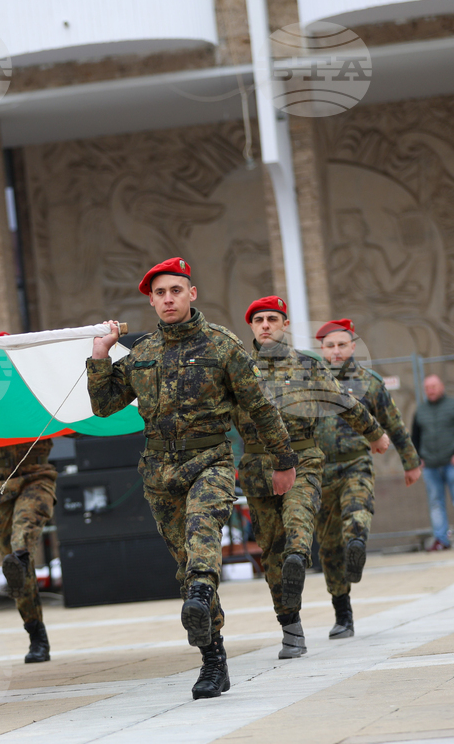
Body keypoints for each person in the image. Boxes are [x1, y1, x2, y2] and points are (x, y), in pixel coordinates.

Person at [87, 257, 298, 700]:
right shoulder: (141, 353)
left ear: (191, 294)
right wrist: (101, 355)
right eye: (160, 293)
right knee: (185, 566)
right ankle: (213, 660)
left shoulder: (222, 345)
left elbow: (259, 407)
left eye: (176, 290)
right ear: (151, 299)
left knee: (203, 539)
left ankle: (202, 590)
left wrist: (284, 460)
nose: (168, 299)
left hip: (211, 462)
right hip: (159, 474)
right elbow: (104, 406)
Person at [233, 301, 388, 659]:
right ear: (252, 327)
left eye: (272, 319)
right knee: (271, 550)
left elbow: (343, 401)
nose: (266, 325)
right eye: (258, 320)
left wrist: (375, 433)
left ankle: (299, 558)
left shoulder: (306, 365)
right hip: (258, 467)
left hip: (303, 457)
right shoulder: (238, 368)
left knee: (299, 518)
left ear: (285, 324)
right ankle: (291, 627)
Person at [314, 319, 420, 638]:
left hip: (356, 462)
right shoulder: (307, 383)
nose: (336, 351)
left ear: (353, 347)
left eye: (341, 345)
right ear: (322, 349)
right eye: (330, 346)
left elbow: (394, 423)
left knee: (358, 508)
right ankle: (342, 613)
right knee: (329, 546)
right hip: (319, 471)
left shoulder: (370, 383)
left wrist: (410, 462)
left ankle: (357, 543)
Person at [0, 437, 56, 664]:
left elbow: (74, 425)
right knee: (13, 564)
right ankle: (34, 629)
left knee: (22, 539)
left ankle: (37, 637)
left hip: (36, 473)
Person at [412, 374, 454, 550]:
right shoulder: (420, 411)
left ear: (441, 387)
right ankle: (441, 539)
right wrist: (417, 459)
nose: (431, 390)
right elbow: (415, 437)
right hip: (430, 466)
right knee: (436, 503)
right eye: (427, 388)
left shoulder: (452, 406)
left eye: (434, 386)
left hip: (451, 463)